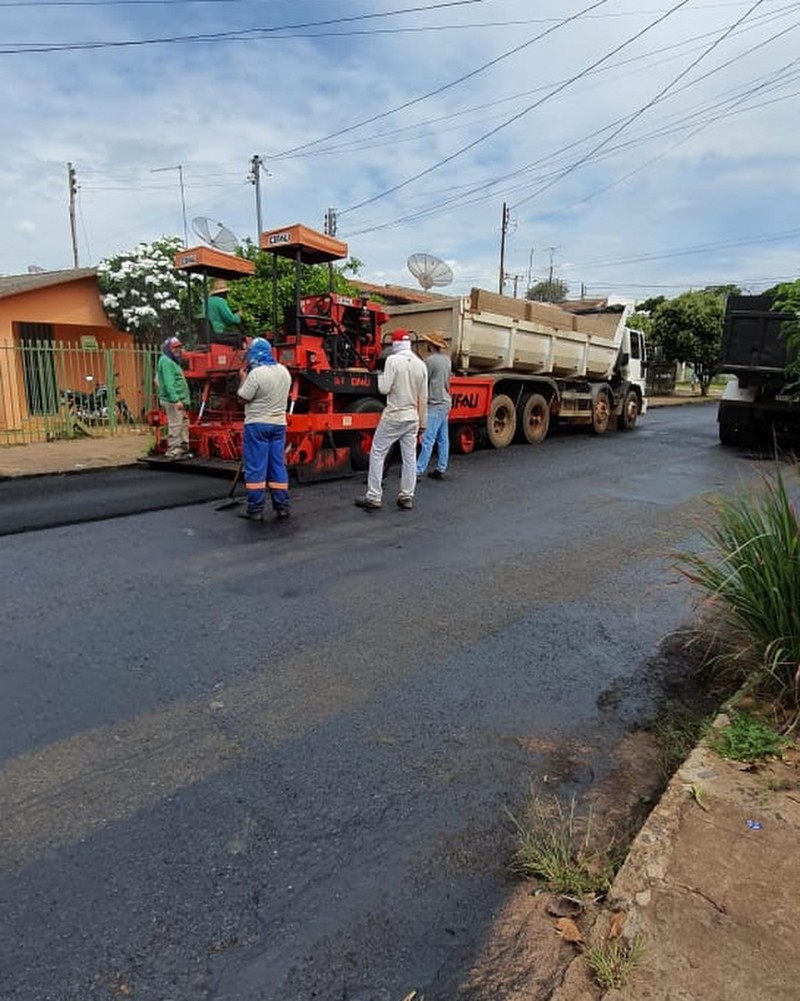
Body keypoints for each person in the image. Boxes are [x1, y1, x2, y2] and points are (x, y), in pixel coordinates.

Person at [355, 328, 427, 512]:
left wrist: (380, 375)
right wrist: (423, 423)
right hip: (412, 417)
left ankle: (373, 496)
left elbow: (384, 388)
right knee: (409, 458)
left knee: (378, 452)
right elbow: (423, 398)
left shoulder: (393, 361)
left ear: (394, 344)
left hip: (394, 414)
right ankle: (406, 496)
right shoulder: (420, 365)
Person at [236, 336, 292, 521]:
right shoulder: (284, 372)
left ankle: (255, 509)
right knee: (277, 465)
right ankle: (282, 507)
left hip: (257, 425)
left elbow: (242, 398)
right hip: (278, 426)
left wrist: (243, 379)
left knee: (256, 467)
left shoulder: (256, 374)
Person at [416, 330, 451, 481]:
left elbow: (423, 382)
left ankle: (417, 470)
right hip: (445, 402)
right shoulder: (447, 360)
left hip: (435, 403)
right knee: (443, 438)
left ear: (431, 345)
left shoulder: (429, 361)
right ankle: (441, 468)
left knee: (428, 439)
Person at [156, 336, 192, 460]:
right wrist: (176, 399)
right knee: (176, 425)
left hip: (179, 400)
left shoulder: (172, 361)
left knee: (183, 423)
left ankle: (182, 449)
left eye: (179, 347)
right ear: (168, 348)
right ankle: (173, 451)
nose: (178, 350)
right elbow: (168, 383)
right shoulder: (166, 361)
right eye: (175, 348)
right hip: (173, 401)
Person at [206, 279, 243, 345]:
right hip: (218, 333)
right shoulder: (221, 301)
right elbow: (230, 319)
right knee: (240, 337)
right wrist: (238, 315)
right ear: (223, 293)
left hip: (206, 334)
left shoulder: (206, 301)